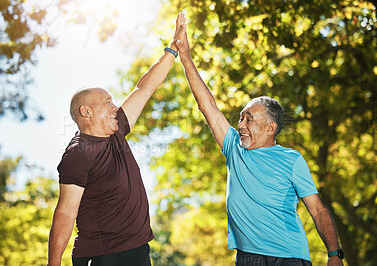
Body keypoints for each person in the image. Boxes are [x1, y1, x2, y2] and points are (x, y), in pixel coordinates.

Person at [175, 20, 344, 266]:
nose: (240, 125)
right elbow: (207, 105)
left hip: (289, 256)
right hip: (247, 257)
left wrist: (334, 254)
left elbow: (317, 210)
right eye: (240, 118)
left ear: (270, 128)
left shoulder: (292, 160)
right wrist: (186, 56)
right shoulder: (234, 147)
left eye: (249, 119)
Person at [47, 13, 187, 266]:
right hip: (103, 256)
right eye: (107, 102)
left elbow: (144, 88)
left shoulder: (117, 132)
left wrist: (172, 50)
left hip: (137, 250)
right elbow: (66, 212)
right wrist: (54, 262)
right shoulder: (79, 153)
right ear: (86, 112)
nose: (115, 107)